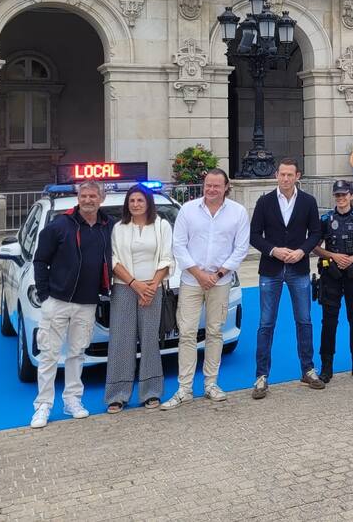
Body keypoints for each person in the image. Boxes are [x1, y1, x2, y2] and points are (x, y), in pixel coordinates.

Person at [29, 181, 113, 429]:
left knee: (77, 353)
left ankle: (73, 400)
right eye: (84, 195)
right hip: (57, 301)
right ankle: (43, 405)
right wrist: (45, 295)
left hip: (86, 303)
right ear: (78, 198)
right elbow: (40, 261)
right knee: (49, 355)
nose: (88, 200)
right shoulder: (59, 226)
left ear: (101, 199)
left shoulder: (107, 227)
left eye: (93, 196)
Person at [164, 168, 250, 411]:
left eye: (216, 186)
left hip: (220, 282)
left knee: (214, 332)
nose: (211, 190)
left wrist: (218, 274)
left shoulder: (238, 212)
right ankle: (185, 388)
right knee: (187, 333)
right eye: (208, 185)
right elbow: (178, 245)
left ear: (226, 187)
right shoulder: (188, 210)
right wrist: (199, 274)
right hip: (192, 281)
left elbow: (241, 248)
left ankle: (211, 384)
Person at [249, 158, 325, 399]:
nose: (285, 179)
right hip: (271, 269)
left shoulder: (308, 201)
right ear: (276, 175)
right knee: (266, 324)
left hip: (298, 268)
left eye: (289, 175)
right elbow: (254, 235)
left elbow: (316, 233)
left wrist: (302, 251)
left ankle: (308, 370)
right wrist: (273, 250)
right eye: (281, 174)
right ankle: (261, 377)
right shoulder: (264, 201)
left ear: (297, 176)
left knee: (304, 320)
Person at [105, 185, 173, 413]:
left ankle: (151, 392)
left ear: (148, 203)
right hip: (125, 288)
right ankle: (117, 395)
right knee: (121, 341)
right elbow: (113, 260)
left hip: (153, 289)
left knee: (149, 341)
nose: (135, 204)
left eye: (140, 200)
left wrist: (151, 288)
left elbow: (166, 258)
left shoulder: (162, 226)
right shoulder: (119, 228)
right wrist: (136, 285)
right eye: (132, 200)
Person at [314, 179, 353, 383]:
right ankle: (326, 366)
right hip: (331, 275)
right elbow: (315, 246)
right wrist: (332, 255)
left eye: (344, 194)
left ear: (351, 195)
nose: (341, 198)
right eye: (337, 195)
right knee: (328, 321)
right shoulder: (325, 218)